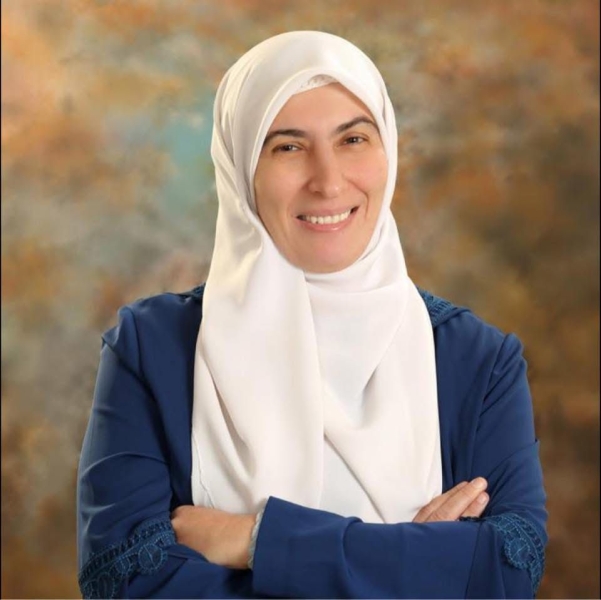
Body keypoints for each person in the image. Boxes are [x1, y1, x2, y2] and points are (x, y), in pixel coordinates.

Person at [76, 31, 547, 599]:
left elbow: (508, 573)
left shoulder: (479, 360)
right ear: (240, 169)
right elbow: (125, 582)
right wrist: (414, 564)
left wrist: (257, 540)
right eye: (288, 147)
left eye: (353, 139)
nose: (328, 181)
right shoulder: (151, 348)